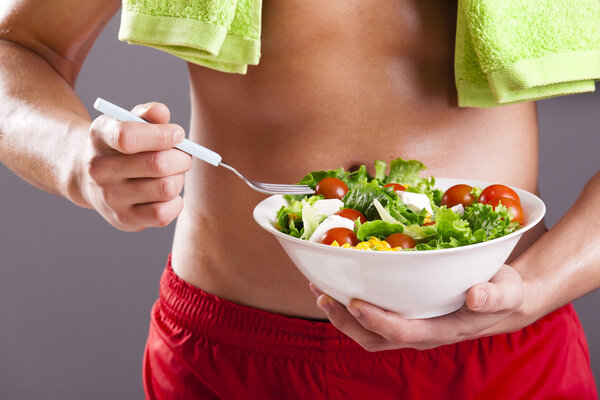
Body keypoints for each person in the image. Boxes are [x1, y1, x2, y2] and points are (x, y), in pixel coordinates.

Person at [1, 1, 598, 399]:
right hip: (236, 362)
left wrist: (532, 291)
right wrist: (76, 159)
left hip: (503, 361)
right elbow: (18, 45)